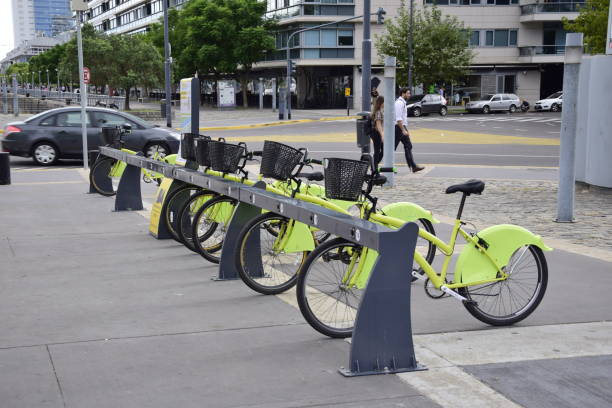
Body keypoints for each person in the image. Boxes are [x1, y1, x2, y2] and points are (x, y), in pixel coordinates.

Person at [395, 87, 424, 173]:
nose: (409, 95)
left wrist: (405, 129)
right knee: (391, 148)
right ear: (403, 94)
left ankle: (413, 166)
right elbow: (398, 118)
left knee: (408, 146)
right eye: (408, 93)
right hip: (398, 128)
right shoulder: (399, 103)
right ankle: (386, 166)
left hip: (401, 127)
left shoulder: (402, 102)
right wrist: (403, 130)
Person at [370, 95, 384, 168]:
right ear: (381, 103)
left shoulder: (378, 111)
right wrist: (382, 135)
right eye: (384, 102)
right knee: (377, 152)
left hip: (376, 133)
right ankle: (374, 167)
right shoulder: (378, 112)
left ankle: (374, 166)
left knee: (381, 150)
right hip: (376, 134)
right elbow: (378, 125)